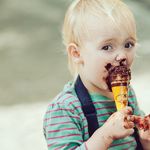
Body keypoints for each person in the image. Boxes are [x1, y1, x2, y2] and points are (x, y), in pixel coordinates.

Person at [43, 0, 150, 149]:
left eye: (128, 44)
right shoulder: (66, 109)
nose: (122, 55)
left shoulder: (129, 95)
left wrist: (145, 140)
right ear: (77, 53)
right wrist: (105, 135)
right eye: (107, 47)